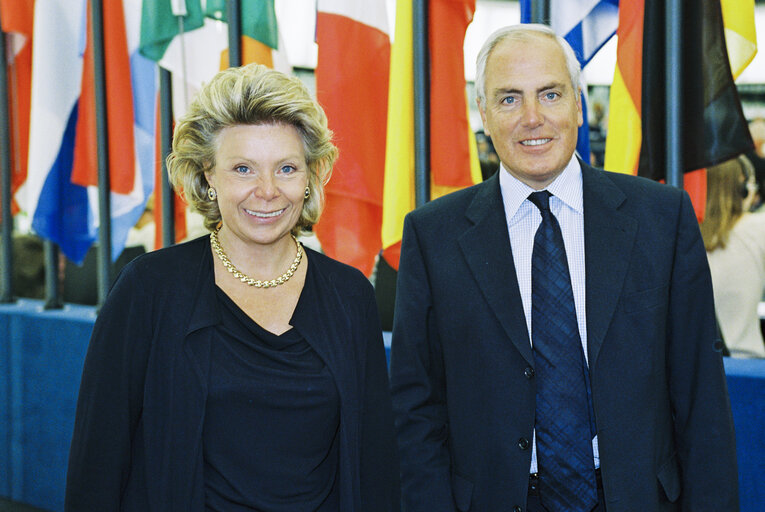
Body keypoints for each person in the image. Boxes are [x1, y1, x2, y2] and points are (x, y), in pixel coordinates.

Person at [390, 24, 737, 512]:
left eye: (549, 94)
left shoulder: (661, 218)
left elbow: (701, 399)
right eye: (509, 99)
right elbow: (415, 408)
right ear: (484, 115)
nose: (532, 118)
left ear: (577, 104)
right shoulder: (433, 236)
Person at [65, 63, 399, 511]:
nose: (266, 190)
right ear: (208, 175)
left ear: (310, 177)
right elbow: (99, 460)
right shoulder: (150, 289)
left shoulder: (350, 294)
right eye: (243, 168)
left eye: (286, 168)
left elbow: (374, 464)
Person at [702, 155, 765, 358]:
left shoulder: (680, 232)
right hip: (747, 365)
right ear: (743, 188)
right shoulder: (756, 229)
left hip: (697, 368)